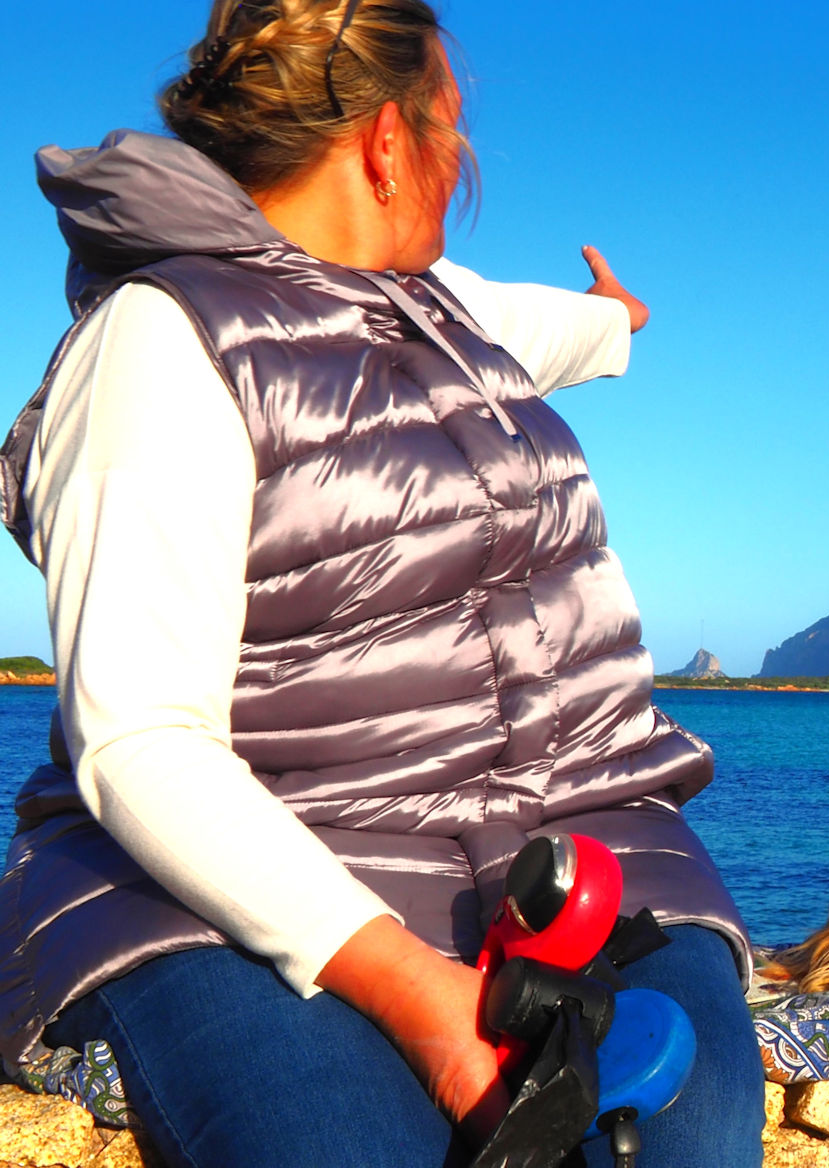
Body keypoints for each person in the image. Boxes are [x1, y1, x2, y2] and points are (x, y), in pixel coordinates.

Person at [0, 1, 764, 1164]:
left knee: (690, 1133)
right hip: (252, 870)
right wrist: (418, 995)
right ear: (389, 143)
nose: (466, 161)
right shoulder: (156, 343)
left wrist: (614, 321)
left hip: (573, 841)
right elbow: (140, 741)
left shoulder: (443, 311)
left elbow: (542, 326)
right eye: (454, 128)